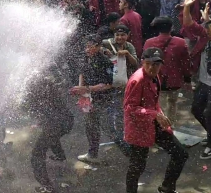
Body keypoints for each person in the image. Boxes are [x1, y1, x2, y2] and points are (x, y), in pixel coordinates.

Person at [124, 48, 189, 193]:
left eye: (157, 64)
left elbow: (153, 101)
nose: (153, 68)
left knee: (180, 154)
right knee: (137, 167)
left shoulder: (155, 76)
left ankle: (167, 187)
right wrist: (154, 114)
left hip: (154, 123)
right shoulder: (137, 80)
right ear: (143, 63)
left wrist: (160, 116)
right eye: (149, 64)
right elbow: (130, 108)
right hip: (138, 128)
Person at [70, 34, 131, 164]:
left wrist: (87, 89)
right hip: (89, 99)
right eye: (86, 46)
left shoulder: (105, 61)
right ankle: (92, 154)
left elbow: (108, 84)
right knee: (91, 127)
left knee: (109, 129)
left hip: (104, 100)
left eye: (90, 46)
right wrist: (82, 91)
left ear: (98, 46)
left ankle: (132, 154)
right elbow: (82, 72)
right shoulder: (86, 57)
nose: (87, 49)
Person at [26, 64, 74, 193]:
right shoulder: (48, 85)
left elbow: (47, 111)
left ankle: (47, 187)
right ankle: (60, 156)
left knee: (37, 154)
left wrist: (42, 122)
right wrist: (40, 122)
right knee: (51, 138)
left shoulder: (40, 88)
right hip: (64, 122)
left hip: (57, 124)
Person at [143, 17, 190, 126]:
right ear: (171, 27)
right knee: (172, 105)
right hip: (175, 82)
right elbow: (186, 64)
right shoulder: (180, 42)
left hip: (156, 82)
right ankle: (170, 128)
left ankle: (161, 131)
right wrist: (187, 79)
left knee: (159, 107)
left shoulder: (149, 42)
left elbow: (144, 63)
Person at [181, 0, 211, 158]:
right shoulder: (205, 34)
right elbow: (188, 25)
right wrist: (187, 7)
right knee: (196, 109)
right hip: (204, 81)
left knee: (209, 113)